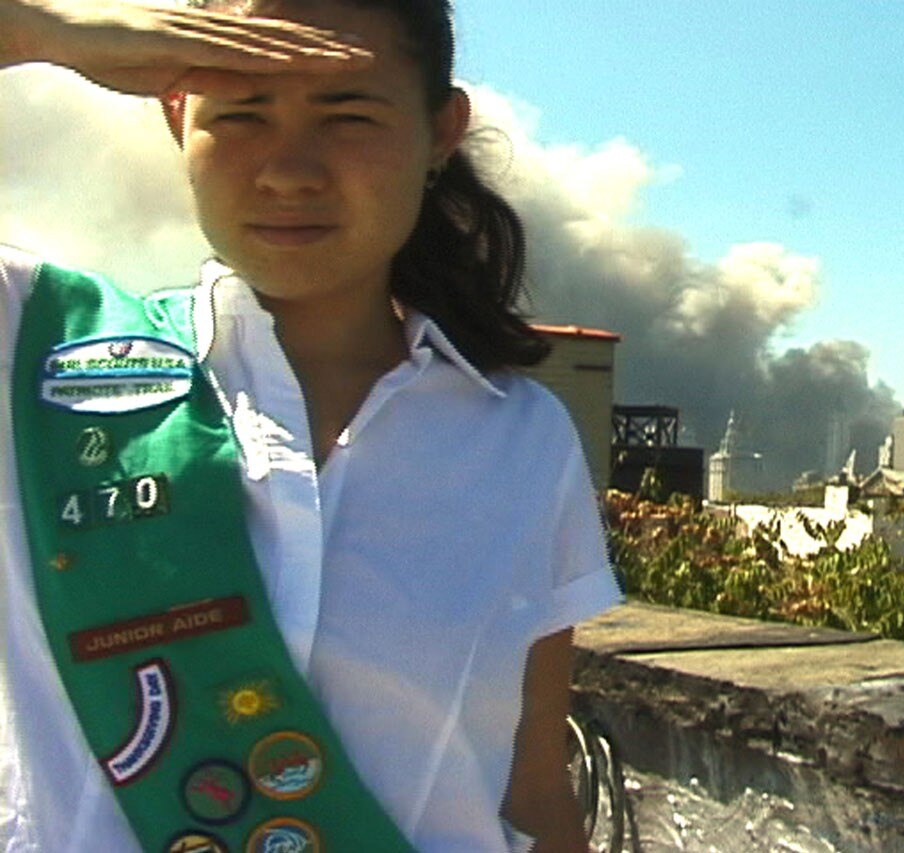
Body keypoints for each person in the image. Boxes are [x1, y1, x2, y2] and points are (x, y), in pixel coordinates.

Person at [0, 0, 620, 850]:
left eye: (348, 114)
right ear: (177, 117)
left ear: (442, 131)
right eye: (241, 112)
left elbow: (534, 787)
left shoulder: (523, 437)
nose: (289, 172)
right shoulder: (31, 349)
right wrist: (37, 31)